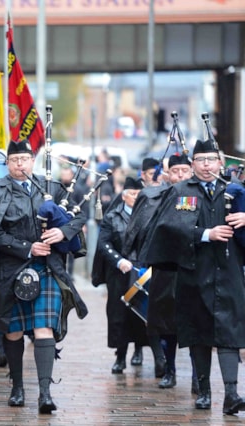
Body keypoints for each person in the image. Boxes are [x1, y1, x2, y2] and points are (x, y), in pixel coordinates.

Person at [0, 140, 88, 412]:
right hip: (11, 269)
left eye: (25, 159)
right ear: (8, 163)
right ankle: (16, 387)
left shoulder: (51, 187)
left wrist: (63, 233)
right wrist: (26, 247)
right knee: (13, 331)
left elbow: (78, 215)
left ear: (32, 161)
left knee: (43, 328)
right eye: (15, 159)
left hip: (47, 268)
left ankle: (45, 393)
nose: (20, 164)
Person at [143, 139, 245, 415]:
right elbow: (168, 227)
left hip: (230, 271)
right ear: (192, 164)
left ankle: (232, 394)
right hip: (193, 271)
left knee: (229, 332)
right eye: (200, 159)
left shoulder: (234, 191)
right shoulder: (180, 191)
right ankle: (204, 391)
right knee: (199, 331)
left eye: (211, 159)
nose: (206, 164)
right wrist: (205, 234)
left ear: (221, 162)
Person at [123, 154, 194, 389]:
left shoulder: (199, 195)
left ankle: (198, 377)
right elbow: (139, 229)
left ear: (191, 171)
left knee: (195, 325)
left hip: (194, 268)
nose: (180, 175)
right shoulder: (152, 195)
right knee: (166, 324)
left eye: (185, 170)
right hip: (165, 268)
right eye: (176, 171)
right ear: (167, 174)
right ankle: (169, 369)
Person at [92, 177, 148, 375]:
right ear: (124, 196)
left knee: (140, 314)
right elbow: (103, 243)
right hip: (118, 274)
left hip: (140, 272)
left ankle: (139, 350)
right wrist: (118, 260)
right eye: (132, 194)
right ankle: (120, 356)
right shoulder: (112, 216)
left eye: (139, 194)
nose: (136, 197)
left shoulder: (147, 215)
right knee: (119, 315)